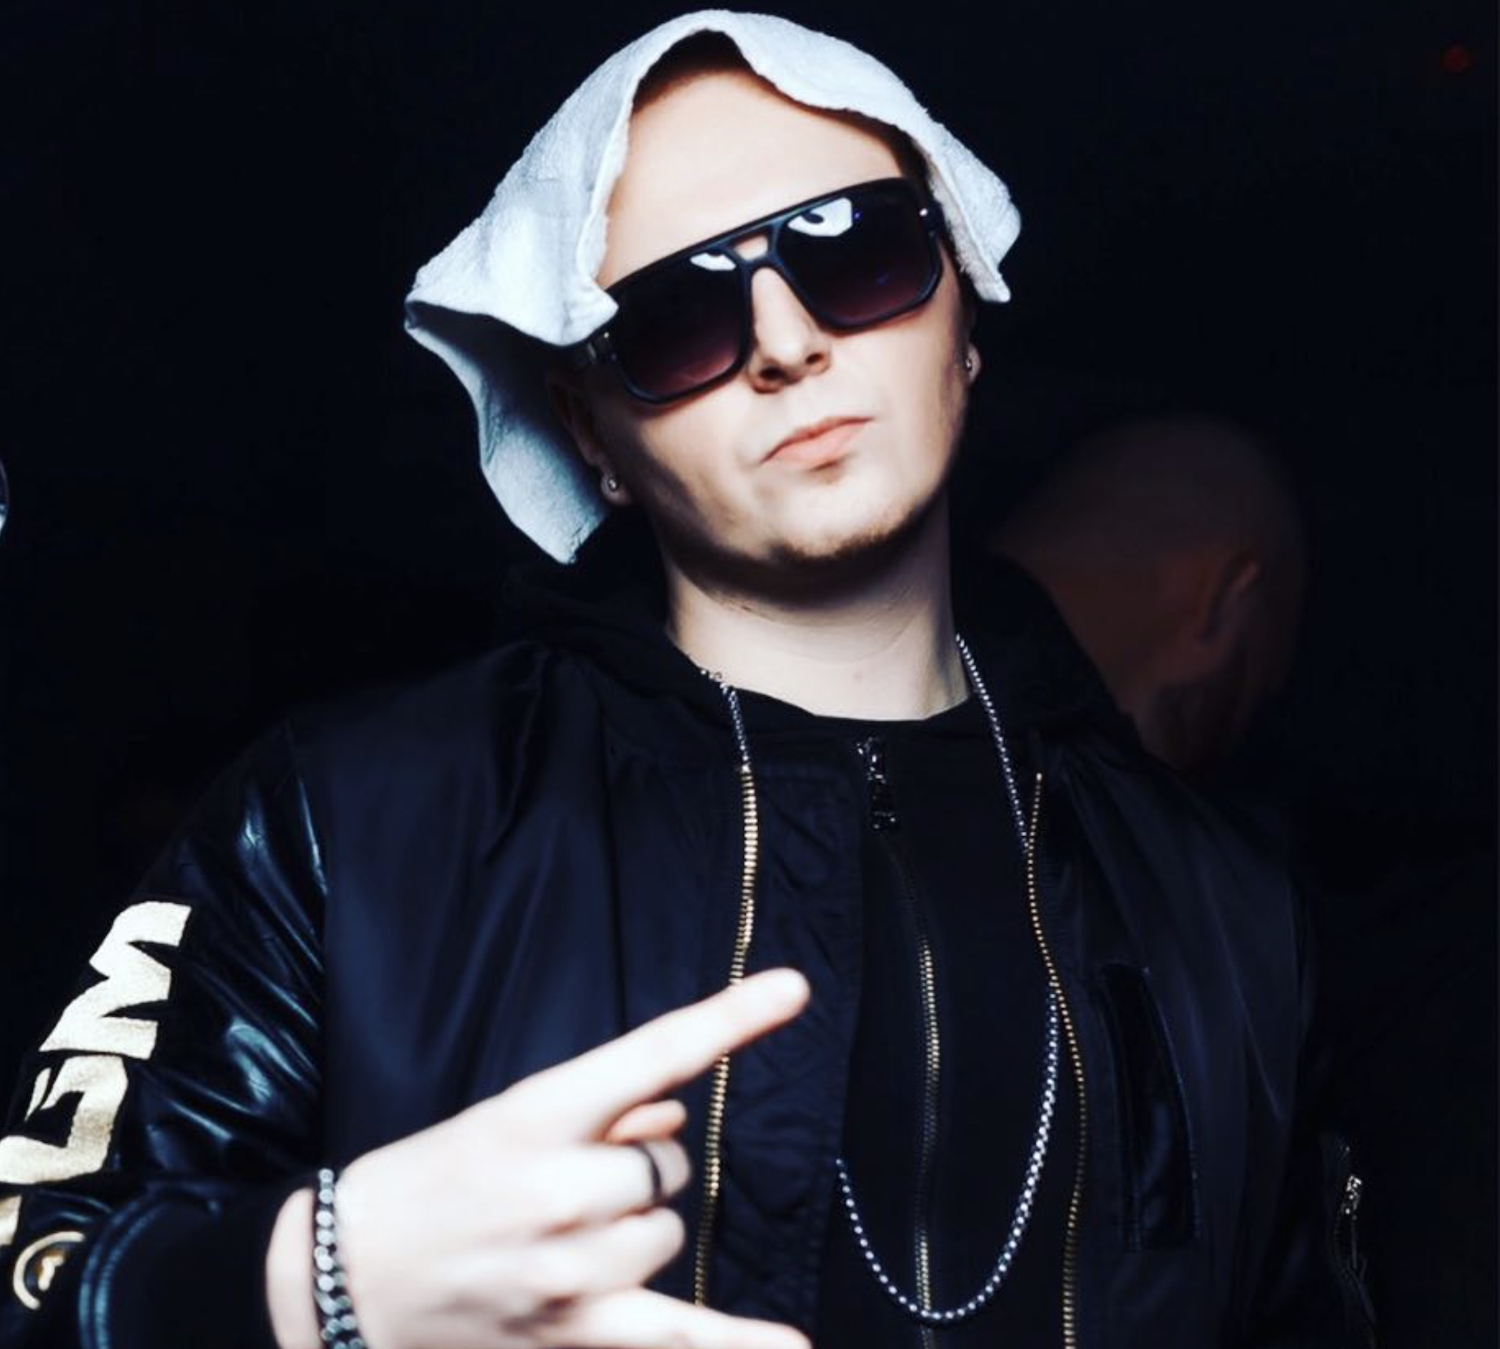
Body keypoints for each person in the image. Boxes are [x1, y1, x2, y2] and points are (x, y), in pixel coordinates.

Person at [0, 14, 1358, 1349]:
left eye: (857, 249)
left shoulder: (1227, 902)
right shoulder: (344, 819)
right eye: (675, 315)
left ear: (964, 308)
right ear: (590, 428)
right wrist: (316, 1283)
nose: (785, 339)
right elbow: (34, 1275)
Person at [988, 416, 1306, 776]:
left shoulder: (944, 613)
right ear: (1222, 598)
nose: (1230, 739)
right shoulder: (1087, 793)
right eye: (1245, 684)